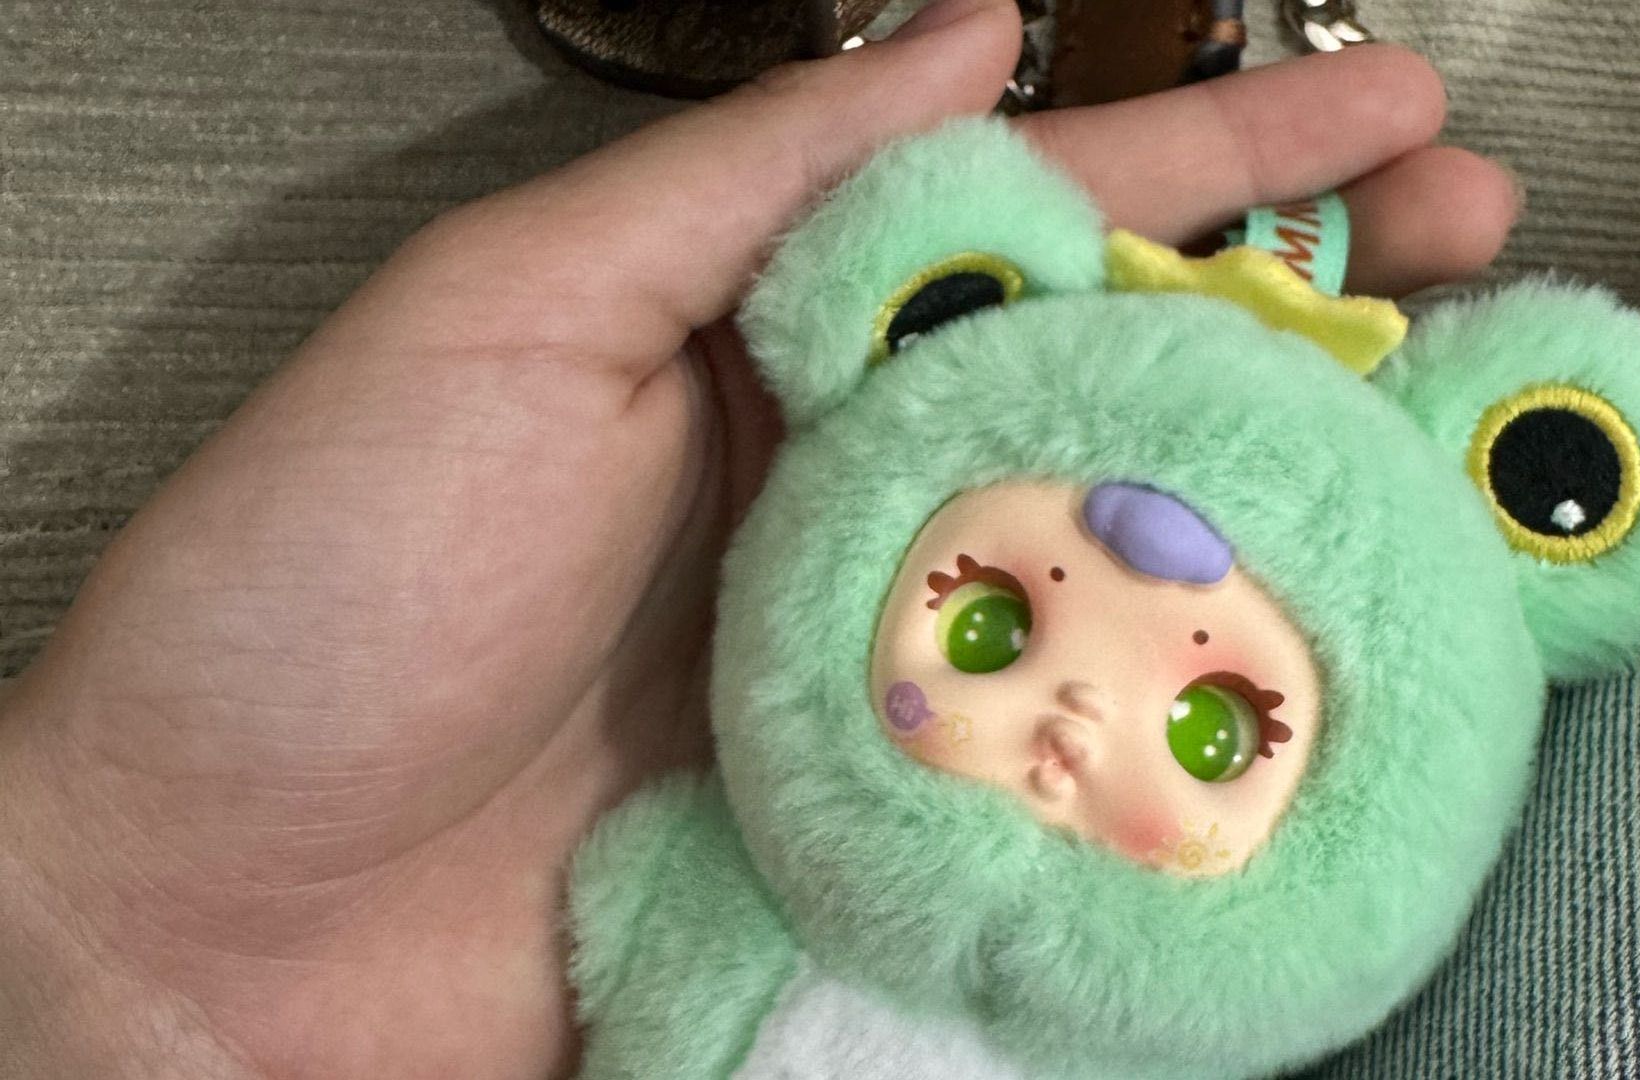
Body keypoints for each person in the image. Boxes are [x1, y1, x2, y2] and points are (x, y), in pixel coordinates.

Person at [0, 1, 1522, 1075]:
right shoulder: (729, 896)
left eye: (1208, 732)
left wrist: (88, 919)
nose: (1069, 727)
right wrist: (85, 909)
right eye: (990, 622)